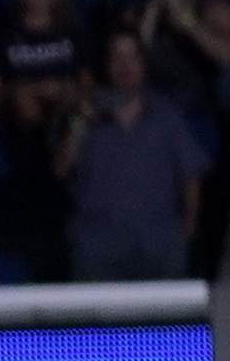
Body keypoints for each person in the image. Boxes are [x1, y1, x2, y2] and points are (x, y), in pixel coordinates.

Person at [60, 30, 211, 283]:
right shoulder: (83, 112)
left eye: (132, 57)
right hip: (98, 245)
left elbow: (190, 173)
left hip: (158, 243)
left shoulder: (167, 115)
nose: (125, 66)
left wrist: (188, 228)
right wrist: (80, 123)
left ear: (143, 64)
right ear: (106, 65)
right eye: (117, 57)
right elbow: (62, 169)